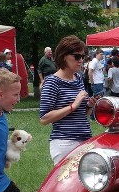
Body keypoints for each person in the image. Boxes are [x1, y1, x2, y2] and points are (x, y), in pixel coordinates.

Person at [39, 36, 96, 164]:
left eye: (83, 57)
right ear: (64, 56)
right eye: (77, 56)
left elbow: (81, 115)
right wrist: (73, 106)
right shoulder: (52, 82)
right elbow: (44, 119)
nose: (81, 60)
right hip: (65, 143)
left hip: (85, 140)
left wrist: (89, 106)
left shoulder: (78, 78)